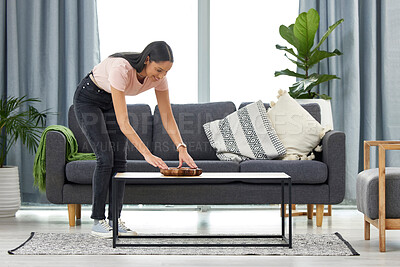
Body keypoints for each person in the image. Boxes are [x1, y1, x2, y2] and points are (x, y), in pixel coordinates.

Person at [73, 41, 198, 238]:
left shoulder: (158, 79)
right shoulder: (121, 68)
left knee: (120, 162)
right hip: (88, 99)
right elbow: (124, 122)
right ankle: (98, 221)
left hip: (110, 101)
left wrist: (181, 147)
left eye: (166, 72)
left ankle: (115, 220)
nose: (161, 75)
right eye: (158, 69)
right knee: (106, 158)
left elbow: (167, 116)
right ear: (147, 59)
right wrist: (147, 154)